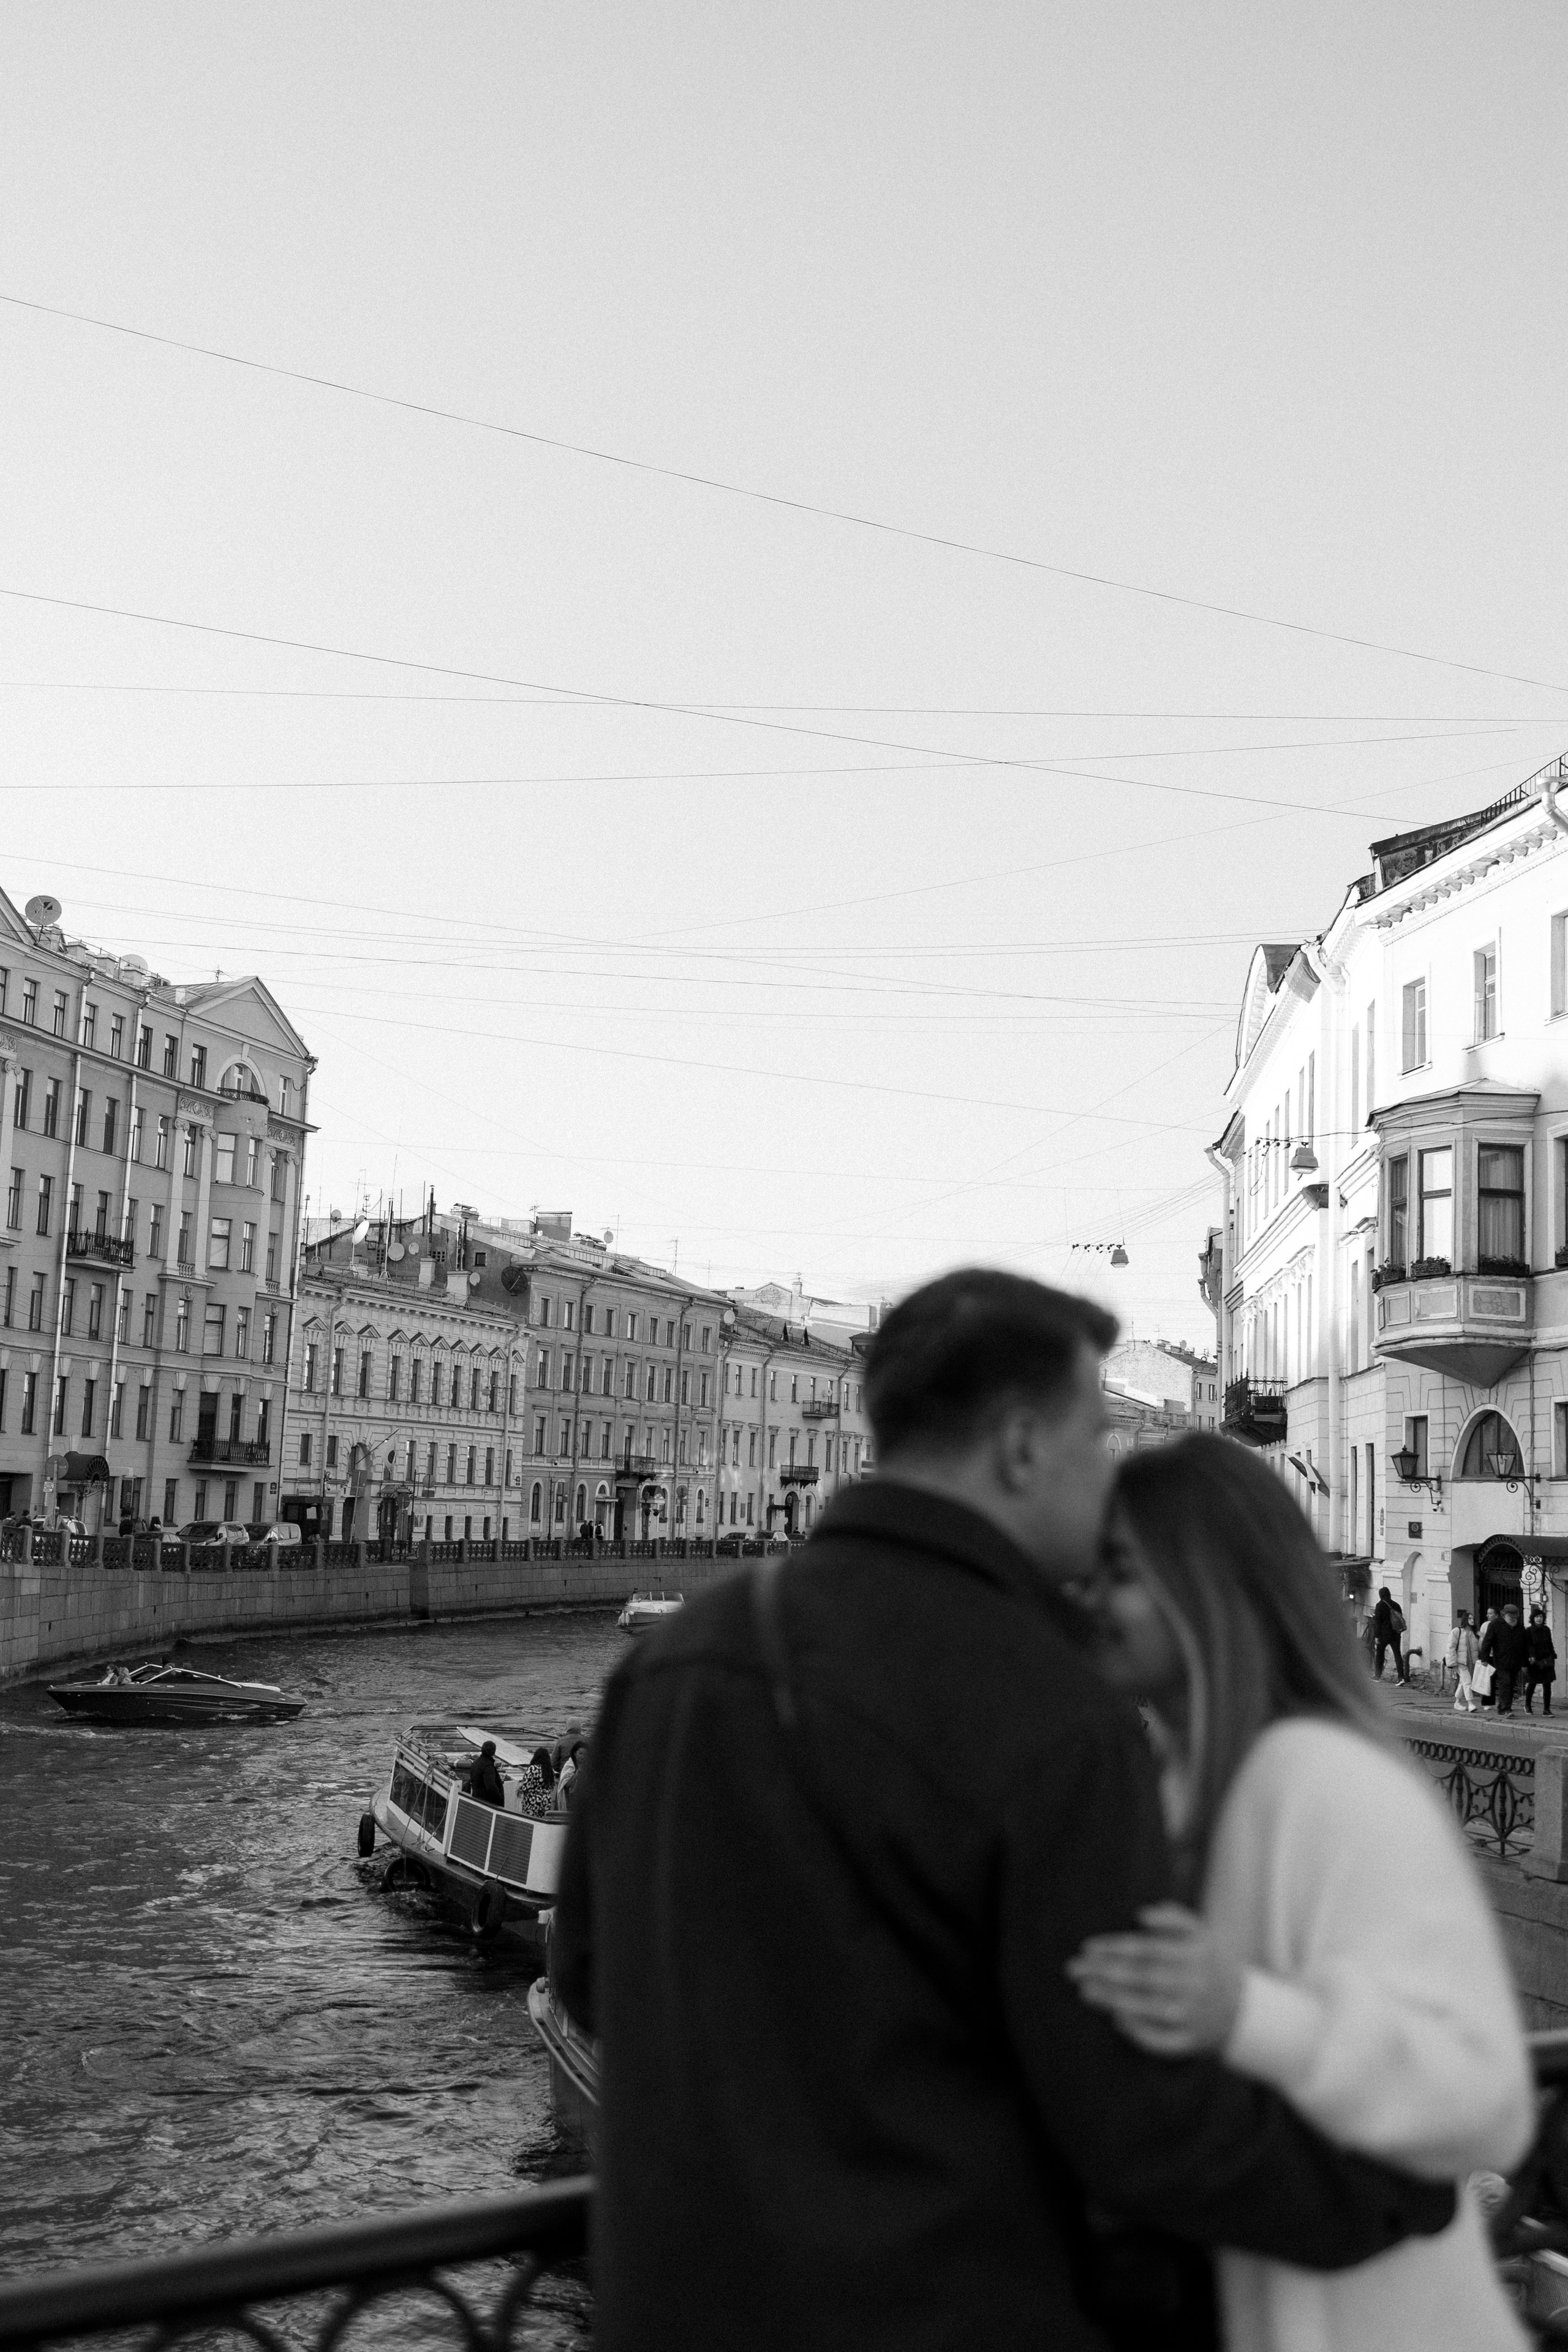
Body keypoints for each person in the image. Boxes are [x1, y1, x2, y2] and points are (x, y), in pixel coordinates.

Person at [552, 1271, 1455, 2352]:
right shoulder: (1053, 1713)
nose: (1105, 1485)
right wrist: (1393, 2184)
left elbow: (588, 1979)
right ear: (1023, 1448)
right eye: (1091, 1440)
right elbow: (1139, 2121)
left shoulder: (674, 1663)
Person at [1068, 1434, 1531, 2351]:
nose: (1087, 1599)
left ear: (1209, 1586)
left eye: (1117, 1571)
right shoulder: (1164, 1784)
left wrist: (1245, 2012)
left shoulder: (1325, 1780)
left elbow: (1487, 2097)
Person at [1479, 1602, 1529, 1717]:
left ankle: (1502, 1708)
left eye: (1515, 1618)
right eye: (1511, 1618)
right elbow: (1487, 1642)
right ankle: (1507, 1709)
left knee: (1511, 1686)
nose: (1513, 1620)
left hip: (1515, 1661)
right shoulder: (1495, 1625)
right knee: (1505, 1684)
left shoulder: (1519, 1627)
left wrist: (1524, 1663)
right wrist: (1485, 1658)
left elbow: (1524, 1645)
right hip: (1501, 1661)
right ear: (1504, 1615)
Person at [1525, 1608, 1558, 1717]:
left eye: (1541, 1617)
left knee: (1547, 1684)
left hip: (1547, 1660)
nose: (1539, 1619)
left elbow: (1550, 1643)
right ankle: (1528, 1705)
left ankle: (1546, 1709)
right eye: (1537, 1617)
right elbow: (1528, 1645)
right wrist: (1531, 1656)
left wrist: (1553, 1655)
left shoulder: (1546, 1630)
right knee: (1533, 1683)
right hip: (1535, 1661)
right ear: (1533, 1618)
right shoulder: (1529, 1631)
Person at [1371, 1586, 1407, 1683]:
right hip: (1396, 1634)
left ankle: (1377, 1676)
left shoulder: (1380, 1605)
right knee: (1397, 1655)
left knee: (1380, 1654)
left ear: (1381, 1595)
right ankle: (1401, 1677)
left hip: (1384, 1635)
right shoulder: (1397, 1605)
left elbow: (1378, 1622)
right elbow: (1399, 1619)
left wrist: (1377, 1636)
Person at [1449, 1611, 1479, 1714]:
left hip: (1470, 1661)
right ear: (1465, 1619)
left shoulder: (1474, 1633)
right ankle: (1470, 1704)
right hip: (1460, 1662)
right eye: (1470, 1618)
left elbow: (1477, 1648)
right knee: (1467, 1682)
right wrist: (1452, 1662)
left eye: (1473, 1619)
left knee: (1463, 1682)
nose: (1472, 1620)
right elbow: (1451, 1646)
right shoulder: (1457, 1631)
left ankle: (1457, 1702)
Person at [466, 1738, 505, 1808]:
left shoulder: (476, 1763)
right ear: (494, 1752)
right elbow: (491, 1787)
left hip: (477, 1800)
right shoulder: (488, 1766)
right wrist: (500, 1799)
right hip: (487, 1803)